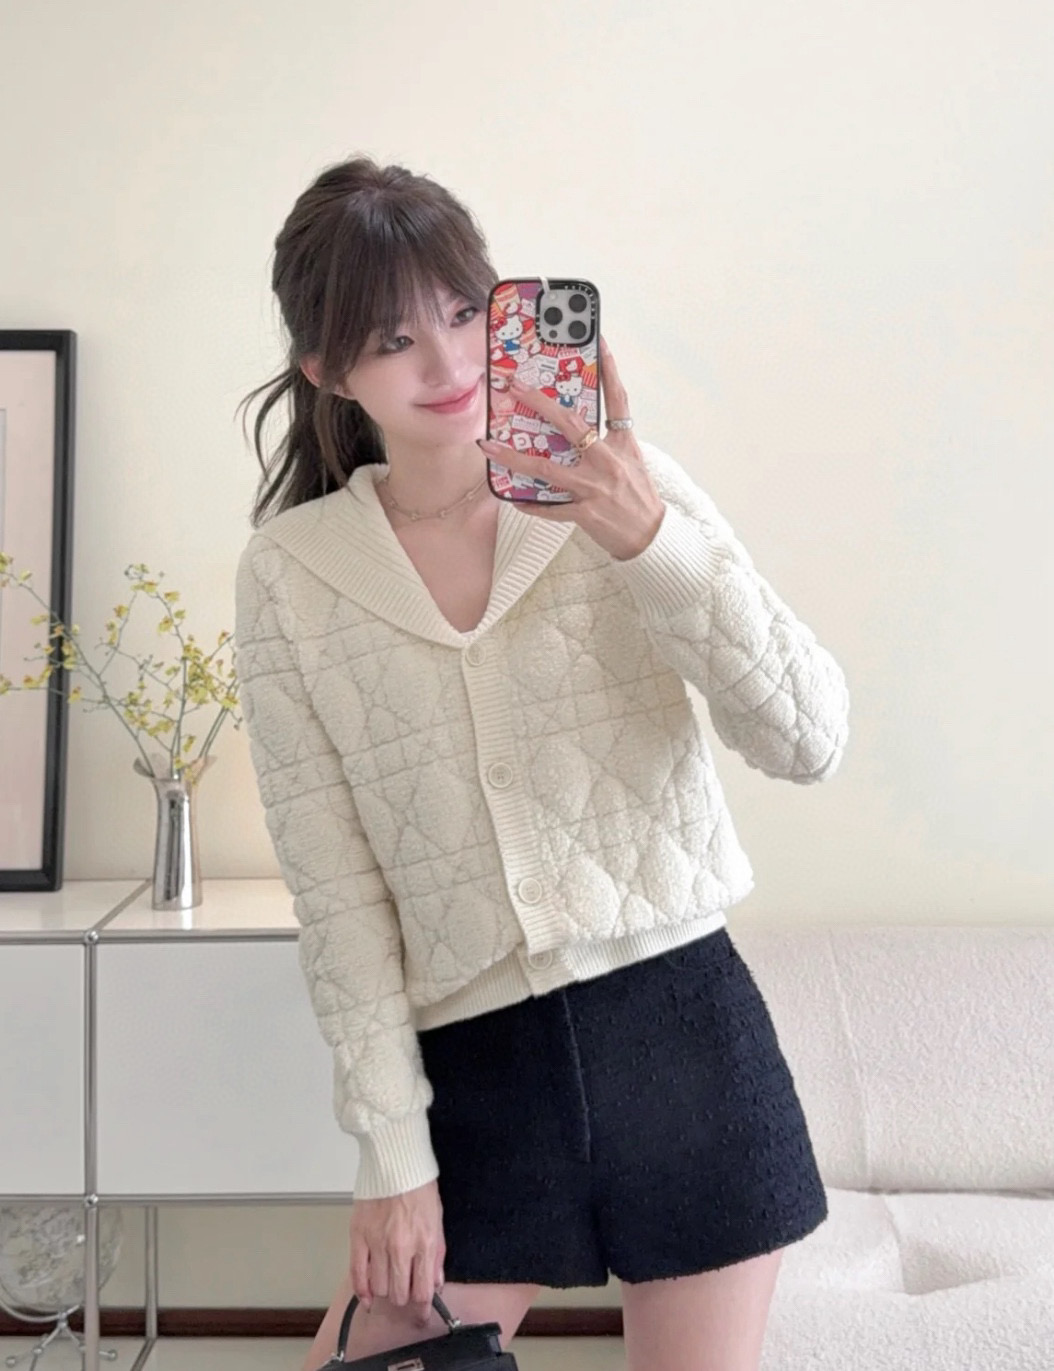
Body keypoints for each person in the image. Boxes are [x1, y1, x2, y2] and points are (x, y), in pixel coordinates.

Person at [233, 155, 850, 1371]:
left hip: (682, 1039)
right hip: (477, 1078)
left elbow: (807, 737)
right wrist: (391, 1161)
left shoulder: (632, 494)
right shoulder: (294, 575)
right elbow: (338, 894)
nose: (448, 361)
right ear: (327, 371)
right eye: (393, 338)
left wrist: (650, 542)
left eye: (466, 312)